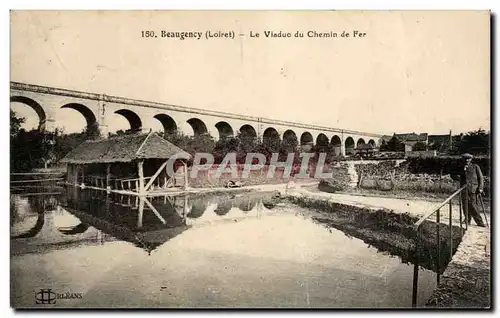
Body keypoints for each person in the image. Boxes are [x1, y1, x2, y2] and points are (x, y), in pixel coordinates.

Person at [460, 153, 486, 227]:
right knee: (465, 205)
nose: (467, 160)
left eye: (468, 159)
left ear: (471, 159)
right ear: (463, 160)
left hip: (473, 189)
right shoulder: (461, 167)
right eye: (465, 159)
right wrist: (463, 171)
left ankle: (479, 222)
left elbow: (481, 178)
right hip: (464, 189)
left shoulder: (475, 167)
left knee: (473, 206)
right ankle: (467, 220)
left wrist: (480, 188)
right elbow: (455, 175)